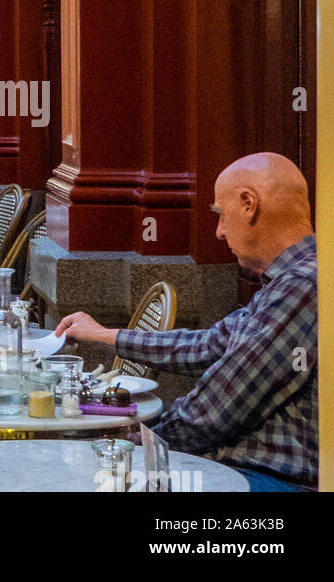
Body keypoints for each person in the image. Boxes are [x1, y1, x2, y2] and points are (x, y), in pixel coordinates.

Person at [56, 152, 317, 492]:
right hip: (242, 468)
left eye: (221, 215)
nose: (220, 232)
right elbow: (208, 346)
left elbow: (220, 406)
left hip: (272, 480)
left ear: (249, 203)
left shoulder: (303, 286)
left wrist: (141, 443)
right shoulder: (292, 280)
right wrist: (106, 335)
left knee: (92, 480)